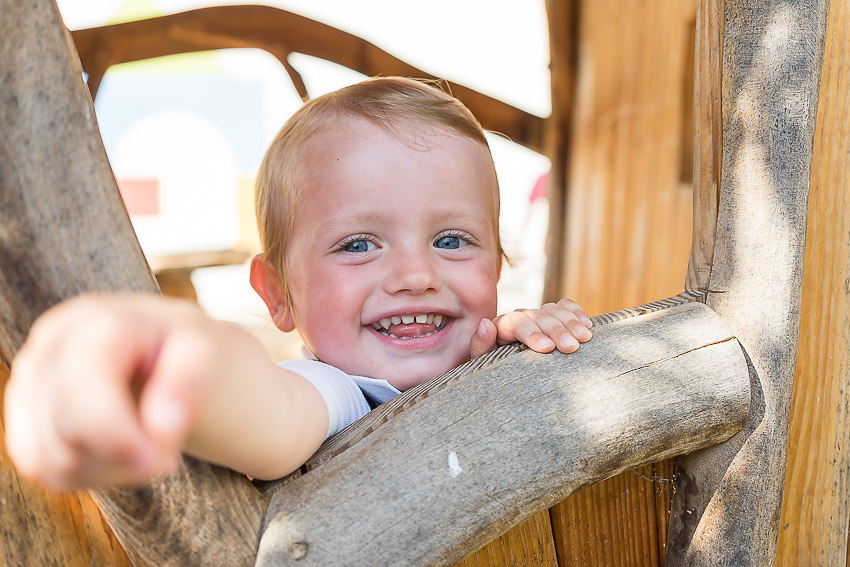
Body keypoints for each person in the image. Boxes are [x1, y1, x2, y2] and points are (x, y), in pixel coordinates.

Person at [3, 77, 592, 489]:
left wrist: (531, 353)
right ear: (279, 294)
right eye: (358, 245)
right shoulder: (337, 393)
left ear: (498, 263)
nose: (417, 276)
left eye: (451, 241)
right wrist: (171, 353)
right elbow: (268, 409)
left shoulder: (494, 351)